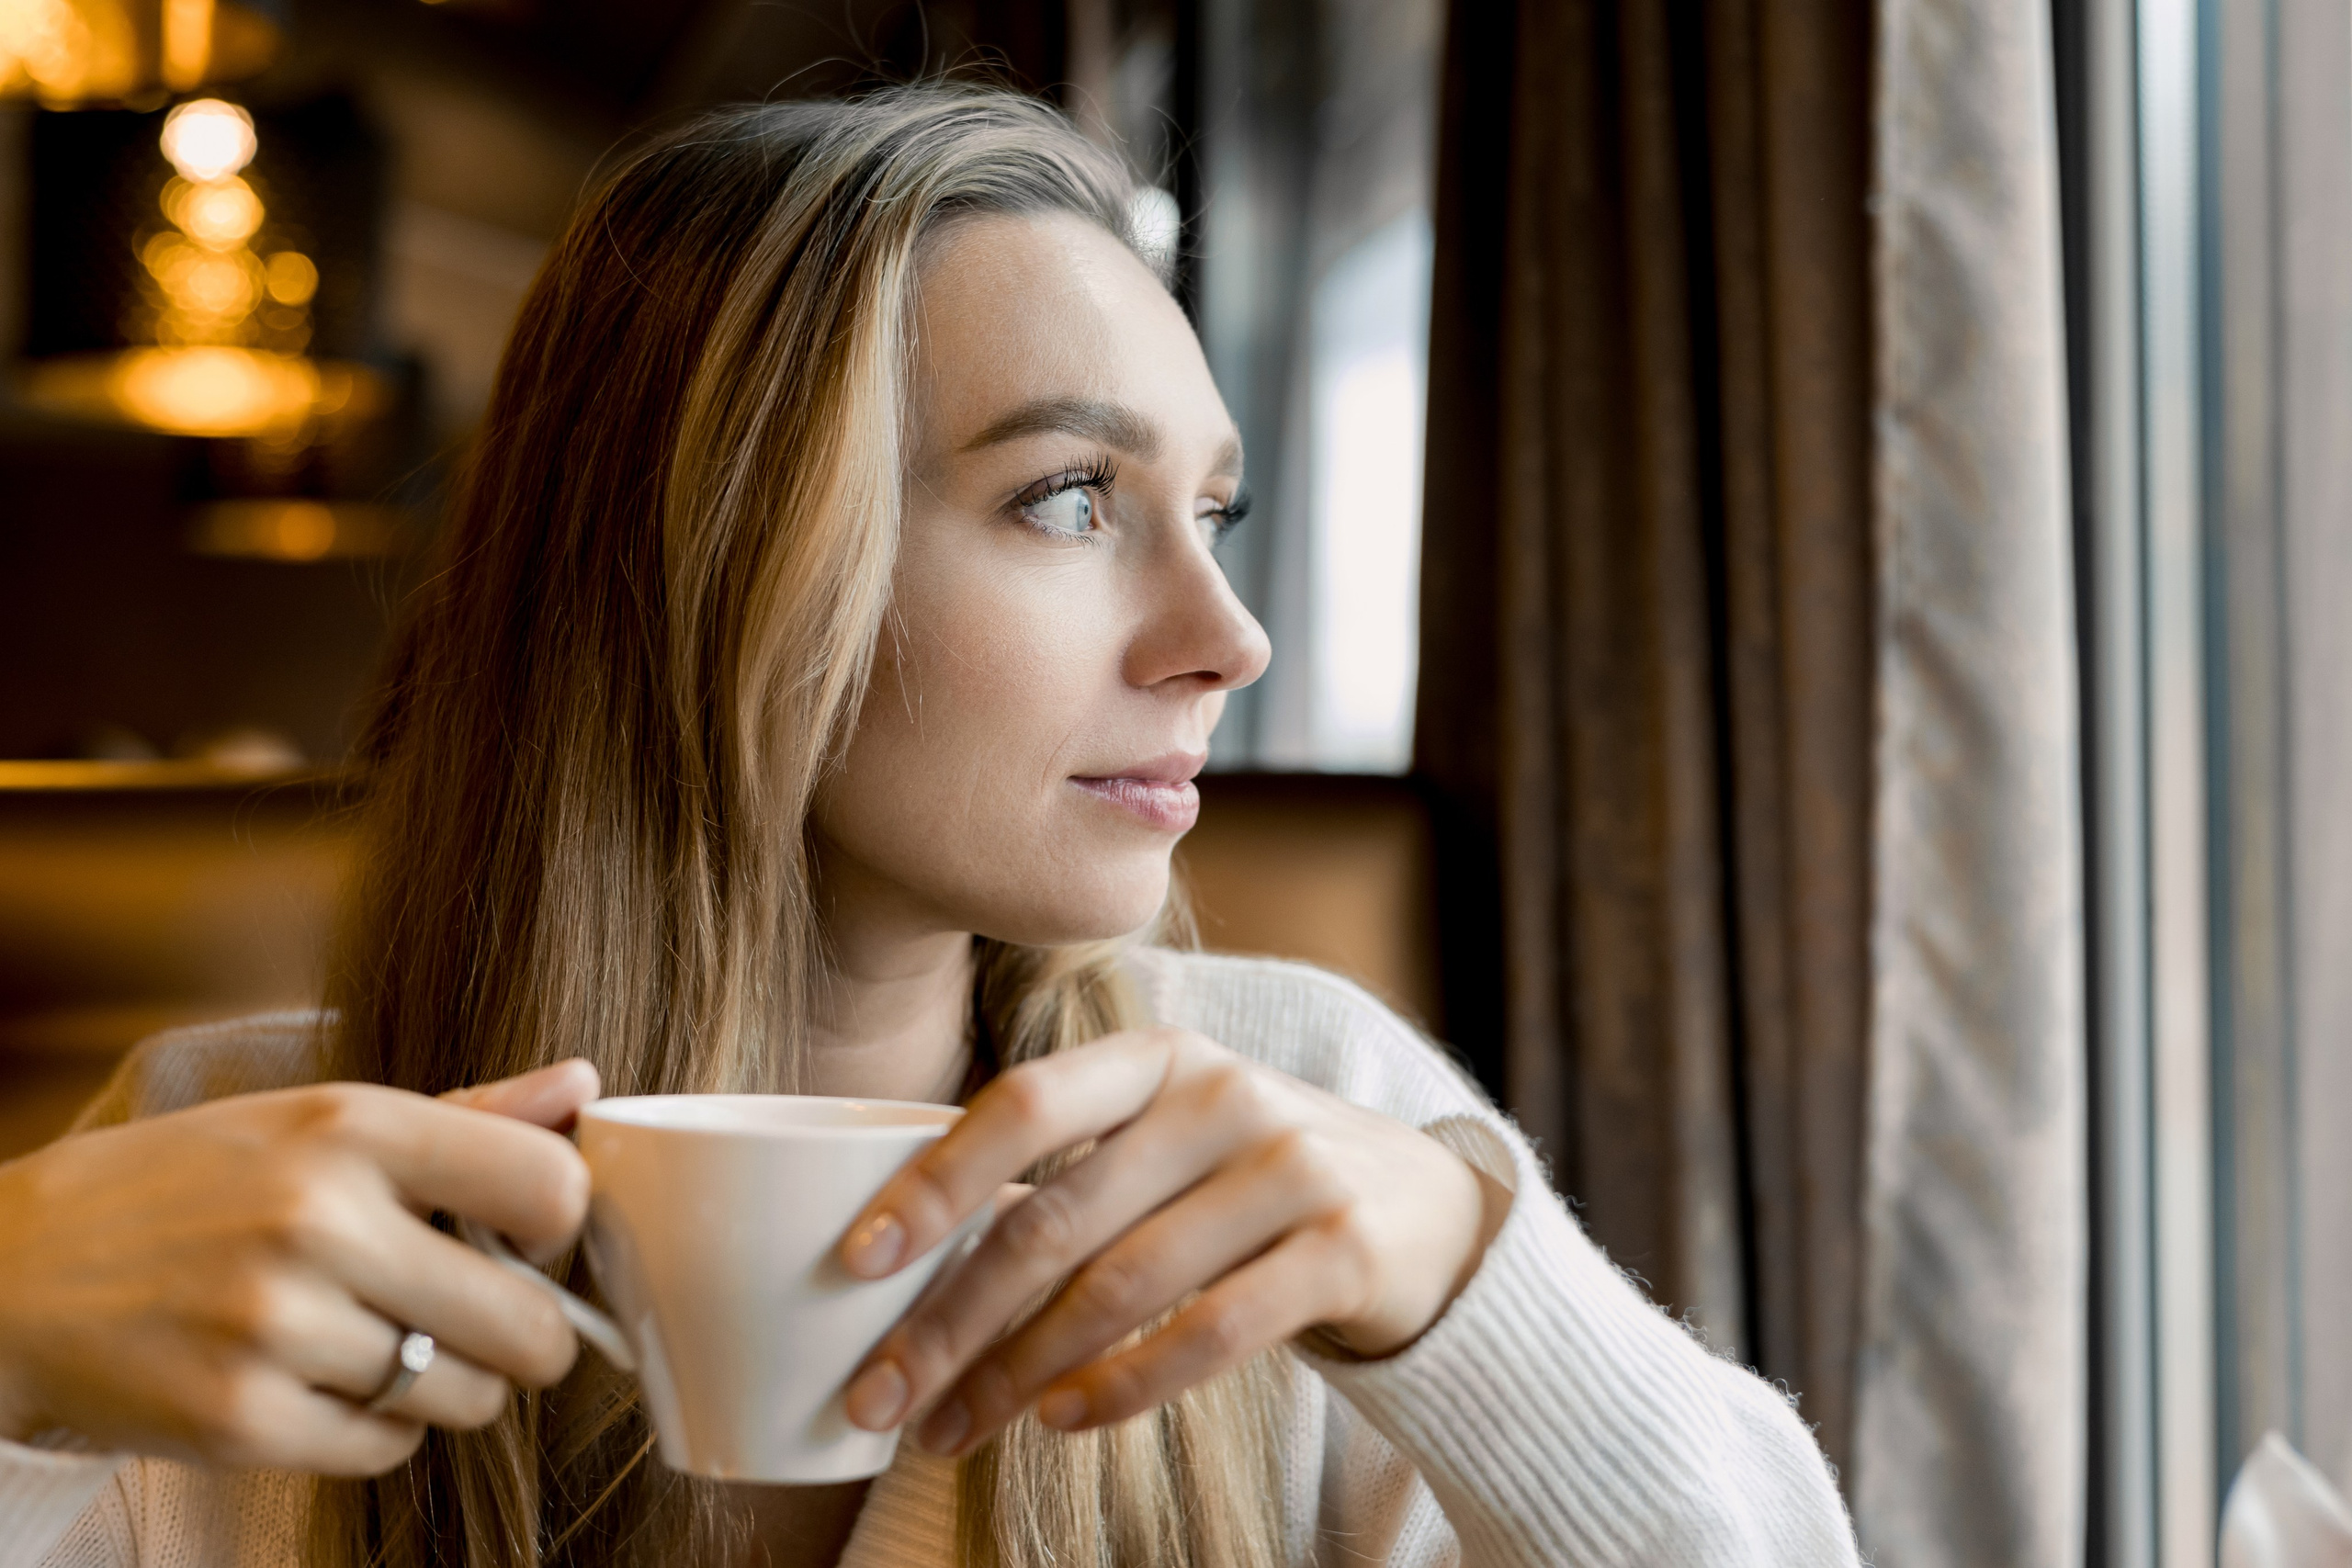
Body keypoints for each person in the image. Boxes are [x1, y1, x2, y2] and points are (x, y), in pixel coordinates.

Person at [0, 86, 1859, 1568]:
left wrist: (1469, 1289)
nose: (1228, 638)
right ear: (713, 569)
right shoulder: (219, 1173)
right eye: (1070, 497)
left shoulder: (1307, 1123)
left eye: (1212, 511)